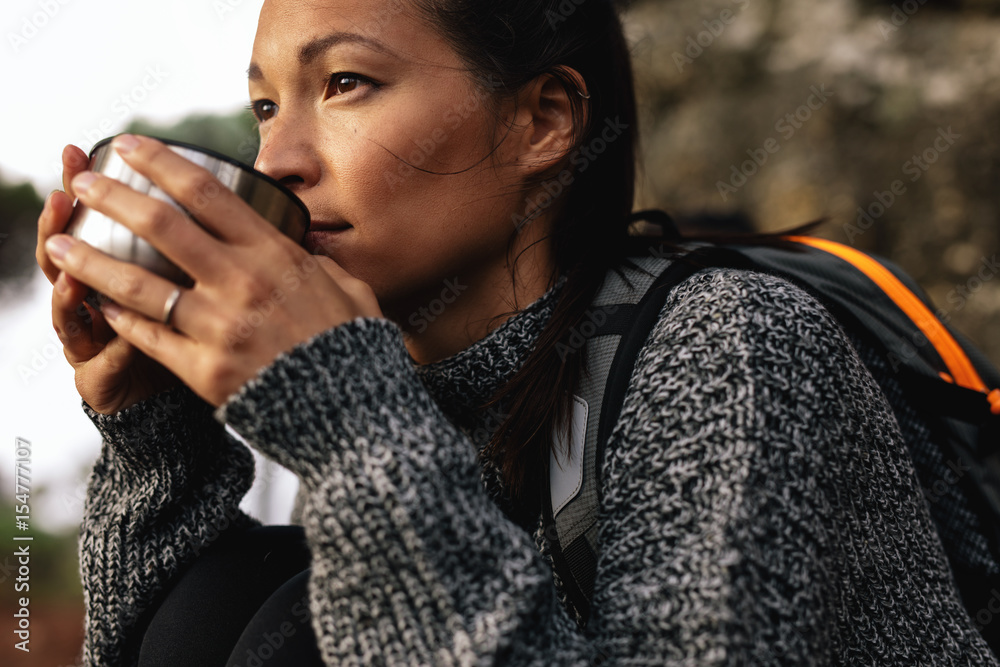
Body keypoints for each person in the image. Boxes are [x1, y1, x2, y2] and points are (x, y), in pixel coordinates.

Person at [34, 0, 998, 664]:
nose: (276, 156)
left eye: (346, 84)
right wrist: (150, 429)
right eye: (264, 105)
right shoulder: (398, 380)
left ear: (544, 120)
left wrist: (347, 419)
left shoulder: (730, 343)